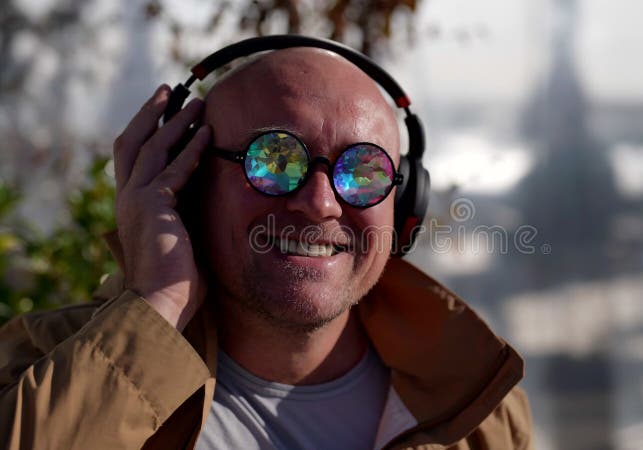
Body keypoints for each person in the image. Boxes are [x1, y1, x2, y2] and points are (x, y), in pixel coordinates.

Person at [0, 39, 533, 449]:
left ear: (405, 201)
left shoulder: (479, 409)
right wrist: (159, 301)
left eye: (365, 170)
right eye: (275, 159)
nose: (321, 203)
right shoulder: (39, 367)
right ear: (187, 183)